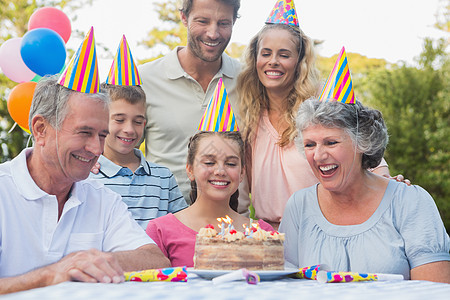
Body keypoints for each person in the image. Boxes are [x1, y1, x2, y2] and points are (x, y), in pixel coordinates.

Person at [237, 2, 404, 228]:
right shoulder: (247, 116)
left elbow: (364, 152)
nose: (273, 61)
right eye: (266, 53)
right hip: (269, 236)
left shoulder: (321, 105)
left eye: (284, 54)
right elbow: (240, 191)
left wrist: (388, 183)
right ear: (255, 58)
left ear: (299, 61)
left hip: (323, 228)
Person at [0, 75, 171, 295]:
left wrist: (97, 261)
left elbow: (156, 261)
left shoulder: (102, 199)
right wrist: (54, 273)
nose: (96, 149)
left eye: (102, 135)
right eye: (85, 133)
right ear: (41, 129)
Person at [279, 98, 450, 283]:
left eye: (331, 142)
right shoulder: (298, 206)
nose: (318, 156)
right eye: (310, 145)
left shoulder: (410, 201)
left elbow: (433, 290)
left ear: (362, 143)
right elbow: (286, 284)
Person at [139, 0, 242, 204]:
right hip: (162, 222)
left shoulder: (247, 80)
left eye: (223, 23)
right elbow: (116, 147)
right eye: (202, 21)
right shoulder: (144, 79)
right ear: (184, 17)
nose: (213, 33)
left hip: (229, 227)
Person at [146, 131, 274, 267]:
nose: (220, 171)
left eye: (230, 164)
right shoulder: (160, 230)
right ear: (190, 169)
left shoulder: (262, 232)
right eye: (209, 162)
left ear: (242, 173)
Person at [89, 82, 187, 229]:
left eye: (138, 122)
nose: (129, 129)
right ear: (101, 120)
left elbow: (183, 229)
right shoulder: (87, 176)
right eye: (120, 120)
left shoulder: (163, 178)